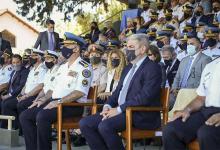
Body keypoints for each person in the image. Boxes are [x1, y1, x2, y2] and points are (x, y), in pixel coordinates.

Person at [79, 34, 162, 150]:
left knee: (105, 126)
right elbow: (117, 92)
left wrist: (118, 109)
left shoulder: (152, 68)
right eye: (127, 47)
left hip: (139, 114)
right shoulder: (128, 68)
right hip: (122, 111)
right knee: (85, 123)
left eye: (131, 47)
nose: (128, 50)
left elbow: (145, 97)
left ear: (143, 49)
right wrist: (107, 106)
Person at [19, 32, 93, 150]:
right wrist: (42, 100)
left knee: (42, 116)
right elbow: (53, 89)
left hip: (72, 105)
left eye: (67, 46)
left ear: (76, 48)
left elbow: (80, 92)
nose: (63, 48)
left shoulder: (84, 67)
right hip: (55, 102)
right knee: (25, 116)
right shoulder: (62, 67)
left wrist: (59, 102)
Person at [162, 56, 220, 150]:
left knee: (206, 133)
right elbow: (201, 98)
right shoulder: (211, 65)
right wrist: (187, 110)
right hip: (206, 111)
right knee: (171, 130)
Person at [0, 48, 47, 129]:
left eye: (33, 56)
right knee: (5, 103)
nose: (30, 58)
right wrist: (21, 95)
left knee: (9, 104)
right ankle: (10, 127)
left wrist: (25, 96)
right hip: (24, 94)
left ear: (39, 57)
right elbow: (25, 85)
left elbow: (40, 86)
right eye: (13, 62)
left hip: (33, 96)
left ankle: (15, 128)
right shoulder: (32, 70)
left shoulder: (41, 69)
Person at [171, 37, 212, 108]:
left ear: (199, 45)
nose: (189, 46)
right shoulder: (184, 60)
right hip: (178, 94)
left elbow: (205, 80)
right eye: (188, 44)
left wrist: (187, 91)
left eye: (192, 44)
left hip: (193, 94)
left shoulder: (205, 59)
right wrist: (174, 88)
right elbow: (177, 77)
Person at [0, 54, 29, 128]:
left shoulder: (24, 71)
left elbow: (21, 86)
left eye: (17, 62)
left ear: (21, 62)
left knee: (6, 104)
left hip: (19, 95)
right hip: (11, 94)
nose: (15, 64)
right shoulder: (13, 72)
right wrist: (6, 94)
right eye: (14, 62)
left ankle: (11, 127)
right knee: (3, 102)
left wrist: (9, 95)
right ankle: (8, 125)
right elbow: (10, 85)